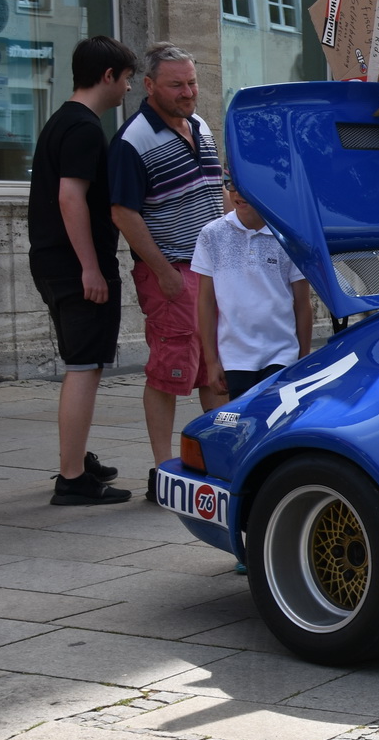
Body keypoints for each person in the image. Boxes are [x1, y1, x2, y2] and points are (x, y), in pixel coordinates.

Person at [109, 43, 228, 497]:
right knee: (170, 370)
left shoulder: (200, 126)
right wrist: (164, 274)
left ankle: (210, 463)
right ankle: (163, 471)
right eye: (177, 84)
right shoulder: (133, 140)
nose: (188, 92)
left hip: (210, 270)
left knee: (213, 368)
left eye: (192, 82)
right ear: (150, 85)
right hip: (172, 271)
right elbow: (123, 212)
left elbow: (214, 192)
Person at [28, 36, 139, 505]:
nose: (127, 89)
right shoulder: (84, 129)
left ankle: (75, 458)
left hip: (52, 262)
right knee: (84, 366)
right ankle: (72, 479)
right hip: (74, 267)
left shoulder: (61, 122)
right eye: (127, 78)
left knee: (82, 361)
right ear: (108, 76)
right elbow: (69, 198)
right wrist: (91, 268)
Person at [191, 179, 312, 401]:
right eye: (231, 186)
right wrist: (211, 361)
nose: (238, 193)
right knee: (244, 426)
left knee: (274, 421)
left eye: (245, 184)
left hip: (282, 353)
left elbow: (303, 304)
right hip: (235, 357)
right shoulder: (212, 234)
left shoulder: (289, 236)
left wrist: (304, 358)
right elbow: (205, 301)